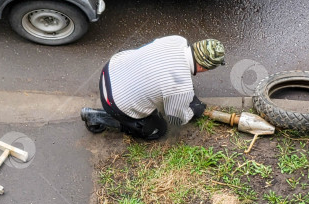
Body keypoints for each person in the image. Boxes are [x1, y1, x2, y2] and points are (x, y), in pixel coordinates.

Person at [80, 36, 225, 140]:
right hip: (114, 102)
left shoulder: (177, 40)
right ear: (202, 67)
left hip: (112, 68)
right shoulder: (181, 87)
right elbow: (175, 120)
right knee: (157, 130)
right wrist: (192, 111)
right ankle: (96, 117)